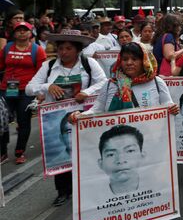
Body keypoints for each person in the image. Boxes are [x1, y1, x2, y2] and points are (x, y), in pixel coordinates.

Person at [70, 41, 179, 220]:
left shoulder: (156, 82)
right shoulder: (111, 84)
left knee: (143, 183)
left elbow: (167, 105)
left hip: (146, 145)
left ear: (143, 61)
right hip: (115, 142)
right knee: (116, 186)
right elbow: (97, 110)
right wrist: (80, 116)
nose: (129, 63)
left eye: (134, 59)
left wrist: (173, 108)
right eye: (126, 59)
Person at [26, 29, 106, 206]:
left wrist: (87, 91)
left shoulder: (89, 63)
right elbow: (29, 88)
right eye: (61, 48)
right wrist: (48, 86)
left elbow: (103, 82)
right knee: (62, 153)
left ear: (77, 50)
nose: (63, 52)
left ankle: (87, 189)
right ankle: (62, 191)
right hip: (56, 119)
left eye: (68, 48)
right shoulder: (48, 66)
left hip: (84, 115)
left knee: (86, 152)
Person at [0, 22, 47, 164]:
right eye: (18, 30)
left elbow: (42, 73)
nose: (21, 32)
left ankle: (19, 151)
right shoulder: (7, 48)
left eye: (24, 30)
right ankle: (3, 152)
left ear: (30, 33)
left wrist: (40, 92)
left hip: (27, 91)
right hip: (7, 89)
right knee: (2, 121)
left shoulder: (37, 50)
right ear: (13, 34)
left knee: (23, 121)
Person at [97, 125, 146, 195]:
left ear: (142, 156)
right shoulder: (89, 199)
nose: (120, 160)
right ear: (101, 164)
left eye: (130, 151)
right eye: (111, 154)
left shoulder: (162, 189)